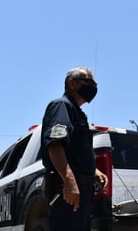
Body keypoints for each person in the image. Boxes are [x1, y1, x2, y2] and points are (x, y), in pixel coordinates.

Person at [40, 67, 108, 231]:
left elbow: (76, 150)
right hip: (69, 191)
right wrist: (69, 182)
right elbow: (55, 144)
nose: (93, 87)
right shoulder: (61, 106)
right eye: (88, 82)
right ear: (72, 83)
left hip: (82, 189)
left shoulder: (77, 112)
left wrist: (93, 171)